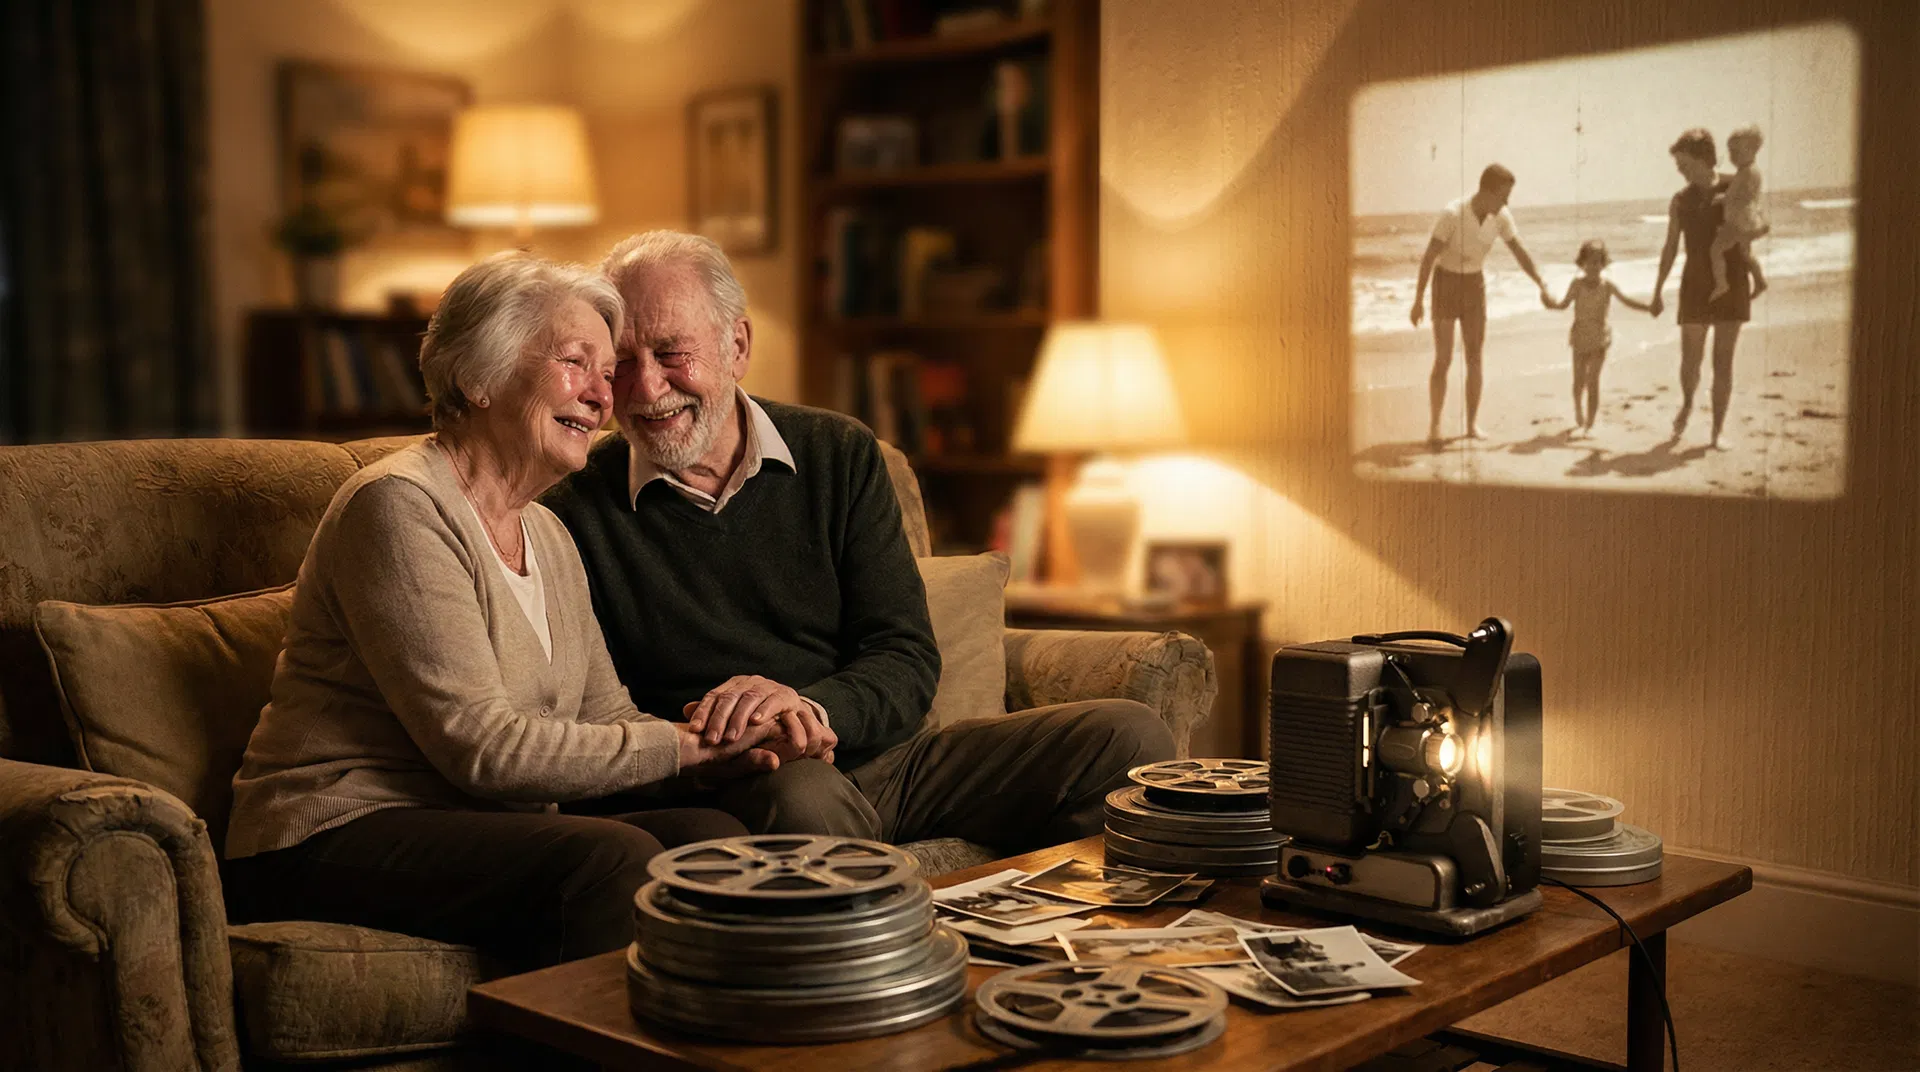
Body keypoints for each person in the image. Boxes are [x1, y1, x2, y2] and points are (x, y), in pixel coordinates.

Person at [542, 230, 1175, 853]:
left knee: (1127, 736)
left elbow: (904, 654)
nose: (647, 388)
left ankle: (1041, 914)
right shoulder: (571, 505)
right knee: (805, 797)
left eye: (671, 353)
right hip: (747, 780)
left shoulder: (839, 452)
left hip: (892, 764)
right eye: (624, 363)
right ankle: (892, 913)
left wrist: (810, 710)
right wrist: (734, 742)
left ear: (737, 346)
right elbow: (592, 715)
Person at [223, 253, 768, 970]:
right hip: (328, 832)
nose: (602, 397)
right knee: (609, 861)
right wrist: (683, 746)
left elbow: (607, 716)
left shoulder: (548, 532)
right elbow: (482, 749)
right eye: (575, 363)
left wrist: (728, 746)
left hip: (469, 823)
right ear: (477, 376)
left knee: (712, 839)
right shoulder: (398, 506)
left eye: (607, 374)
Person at [1409, 163, 1552, 445]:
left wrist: (1541, 283)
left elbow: (1519, 252)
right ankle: (1435, 426)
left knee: (1475, 357)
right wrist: (1418, 301)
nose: (1507, 202)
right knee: (1444, 358)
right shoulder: (1452, 213)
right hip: (1446, 283)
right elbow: (1429, 257)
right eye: (1503, 196)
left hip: (1474, 285)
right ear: (1486, 192)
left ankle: (1471, 425)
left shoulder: (1501, 217)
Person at [1650, 128, 1758, 449]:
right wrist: (1657, 290)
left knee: (1723, 362)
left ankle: (1717, 431)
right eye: (1678, 165)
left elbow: (1751, 227)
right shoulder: (1680, 201)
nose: (1680, 170)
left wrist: (1753, 268)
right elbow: (1670, 247)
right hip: (1695, 283)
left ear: (1702, 159)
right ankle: (1687, 402)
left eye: (1683, 164)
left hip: (1731, 280)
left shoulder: (1735, 185)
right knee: (1690, 361)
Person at [1543, 239, 1652, 437]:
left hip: (1600, 338)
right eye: (1590, 262)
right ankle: (1578, 408)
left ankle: (1590, 425)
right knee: (1579, 381)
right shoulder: (1577, 284)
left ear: (1604, 263)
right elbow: (1563, 305)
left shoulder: (1607, 286)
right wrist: (1550, 304)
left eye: (1598, 262)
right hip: (1579, 337)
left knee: (1593, 381)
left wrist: (1648, 307)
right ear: (1582, 263)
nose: (1594, 266)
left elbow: (1626, 301)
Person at [1708, 124, 1770, 302]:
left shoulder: (1746, 172)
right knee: (1745, 253)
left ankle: (1721, 283)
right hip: (1748, 220)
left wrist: (1721, 198)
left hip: (1740, 222)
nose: (1732, 157)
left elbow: (1737, 194)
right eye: (1731, 152)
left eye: (1737, 152)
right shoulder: (1751, 170)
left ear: (1752, 150)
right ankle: (1759, 281)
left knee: (1716, 250)